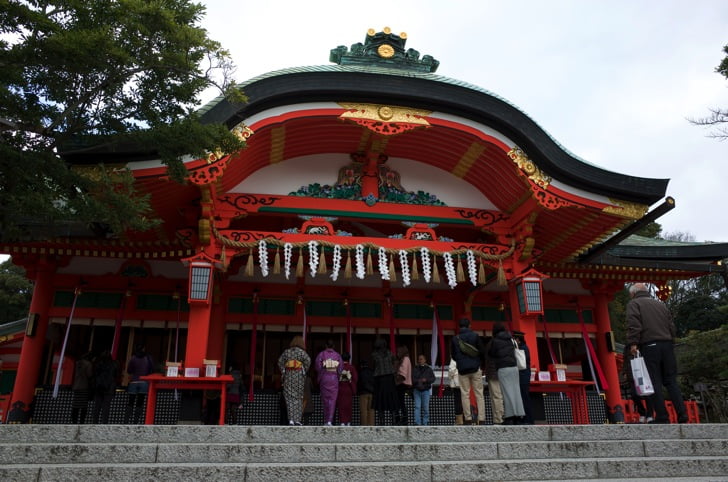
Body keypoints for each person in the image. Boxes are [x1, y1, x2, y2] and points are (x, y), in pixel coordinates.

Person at [626, 282, 688, 424]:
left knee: (654, 382)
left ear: (633, 293)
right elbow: (671, 325)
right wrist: (671, 340)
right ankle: (682, 413)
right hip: (667, 344)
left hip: (649, 345)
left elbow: (634, 324)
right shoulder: (661, 304)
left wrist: (633, 343)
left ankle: (662, 416)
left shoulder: (634, 304)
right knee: (671, 381)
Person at [450, 318, 486, 425]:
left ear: (459, 326)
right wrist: (479, 363)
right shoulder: (475, 336)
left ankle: (468, 418)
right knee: (479, 393)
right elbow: (482, 351)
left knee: (464, 394)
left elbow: (453, 355)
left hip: (462, 370)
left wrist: (461, 362)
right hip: (475, 369)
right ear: (469, 325)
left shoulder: (455, 338)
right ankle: (482, 418)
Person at [488, 322, 524, 424]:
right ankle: (519, 414)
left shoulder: (495, 341)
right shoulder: (511, 339)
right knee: (516, 391)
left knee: (506, 393)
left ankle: (509, 416)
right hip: (514, 368)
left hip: (503, 368)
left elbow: (492, 353)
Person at [277, 335, 311, 426]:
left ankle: (291, 419)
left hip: (288, 376)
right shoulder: (302, 353)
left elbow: (280, 361)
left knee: (289, 399)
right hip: (299, 376)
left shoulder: (287, 352)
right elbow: (308, 361)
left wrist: (284, 370)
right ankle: (297, 420)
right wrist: (303, 370)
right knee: (299, 398)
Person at [620, 344, 655, 423]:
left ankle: (650, 414)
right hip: (632, 375)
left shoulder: (642, 344)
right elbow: (625, 360)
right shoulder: (627, 348)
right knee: (634, 394)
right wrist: (625, 372)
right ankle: (642, 413)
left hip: (642, 375)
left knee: (646, 394)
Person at [370, 337, 398, 425]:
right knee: (391, 399)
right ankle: (393, 419)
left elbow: (373, 366)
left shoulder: (374, 355)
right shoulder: (390, 353)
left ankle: (381, 421)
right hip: (390, 378)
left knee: (380, 399)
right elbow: (394, 363)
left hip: (379, 379)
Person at [314, 339, 342, 426]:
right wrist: (337, 374)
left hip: (325, 379)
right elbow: (340, 369)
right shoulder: (337, 356)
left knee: (325, 400)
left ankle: (326, 420)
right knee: (333, 400)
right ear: (333, 346)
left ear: (326, 346)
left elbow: (318, 367)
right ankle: (330, 420)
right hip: (333, 379)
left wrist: (323, 371)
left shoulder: (321, 355)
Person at [125, 343, 154, 424]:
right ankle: (135, 421)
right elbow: (152, 369)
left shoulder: (133, 358)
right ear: (144, 349)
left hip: (134, 381)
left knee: (130, 402)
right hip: (144, 382)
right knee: (140, 403)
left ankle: (126, 421)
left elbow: (129, 370)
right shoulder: (148, 358)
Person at [91, 350, 118, 424]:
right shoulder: (114, 364)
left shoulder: (98, 364)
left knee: (97, 406)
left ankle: (94, 422)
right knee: (106, 407)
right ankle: (104, 423)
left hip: (99, 388)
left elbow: (94, 375)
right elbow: (116, 375)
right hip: (109, 388)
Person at [513, 331, 534, 424]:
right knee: (523, 397)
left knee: (524, 397)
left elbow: (521, 364)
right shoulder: (524, 348)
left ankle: (528, 418)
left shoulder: (522, 349)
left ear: (518, 339)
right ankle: (525, 418)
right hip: (524, 375)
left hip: (523, 376)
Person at [483, 338, 504, 425]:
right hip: (502, 372)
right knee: (499, 396)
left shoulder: (490, 344)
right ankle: (501, 417)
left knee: (495, 396)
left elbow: (486, 357)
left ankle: (498, 418)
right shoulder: (505, 343)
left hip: (492, 373)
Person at [412, 354, 436, 426]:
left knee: (425, 408)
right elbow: (412, 379)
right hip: (417, 390)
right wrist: (418, 381)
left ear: (425, 360)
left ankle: (425, 422)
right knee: (417, 407)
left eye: (421, 359)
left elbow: (433, 379)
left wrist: (426, 380)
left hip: (425, 390)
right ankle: (417, 422)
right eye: (419, 359)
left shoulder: (429, 369)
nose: (420, 360)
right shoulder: (415, 369)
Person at [71, 351, 93, 424]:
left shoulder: (77, 363)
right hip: (84, 386)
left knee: (75, 405)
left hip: (76, 386)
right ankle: (81, 422)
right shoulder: (88, 364)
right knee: (83, 406)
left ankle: (74, 421)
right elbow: (89, 375)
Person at [336, 352, 358, 425]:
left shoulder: (339, 367)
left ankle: (342, 421)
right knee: (348, 406)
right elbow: (355, 378)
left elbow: (335, 378)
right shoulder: (351, 367)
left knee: (341, 406)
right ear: (349, 359)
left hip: (340, 389)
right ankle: (348, 421)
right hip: (348, 389)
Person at [394, 345, 412, 425]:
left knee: (400, 401)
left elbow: (403, 371)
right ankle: (403, 418)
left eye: (398, 352)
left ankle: (403, 418)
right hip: (402, 383)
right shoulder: (405, 358)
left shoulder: (405, 359)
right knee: (400, 401)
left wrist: (397, 379)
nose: (397, 353)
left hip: (401, 383)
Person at [357, 359, 375, 426]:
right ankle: (371, 425)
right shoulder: (372, 372)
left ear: (361, 365)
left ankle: (364, 426)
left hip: (363, 393)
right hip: (372, 393)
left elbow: (359, 383)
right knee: (371, 410)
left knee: (363, 411)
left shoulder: (360, 372)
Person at [447, 358, 464, 425]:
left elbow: (451, 369)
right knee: (466, 401)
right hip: (466, 382)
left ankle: (459, 421)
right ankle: (467, 418)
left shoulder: (455, 358)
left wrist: (450, 377)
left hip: (457, 383)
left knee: (458, 402)